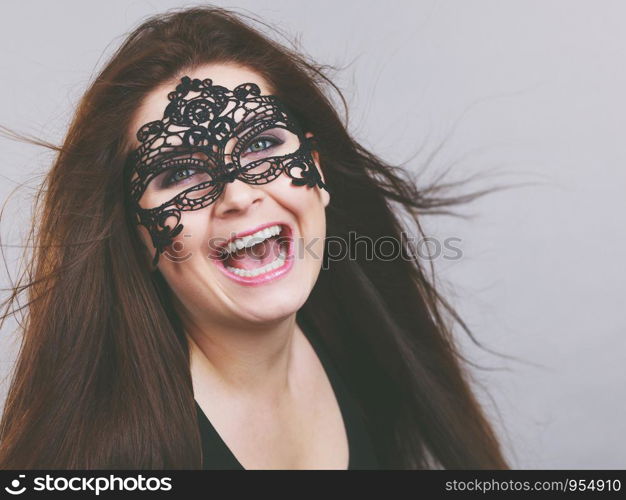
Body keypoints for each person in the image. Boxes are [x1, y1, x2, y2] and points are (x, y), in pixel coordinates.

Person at [0, 6, 509, 469]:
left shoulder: (365, 341)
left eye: (262, 145)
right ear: (137, 237)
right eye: (180, 174)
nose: (239, 194)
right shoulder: (105, 461)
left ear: (316, 166)